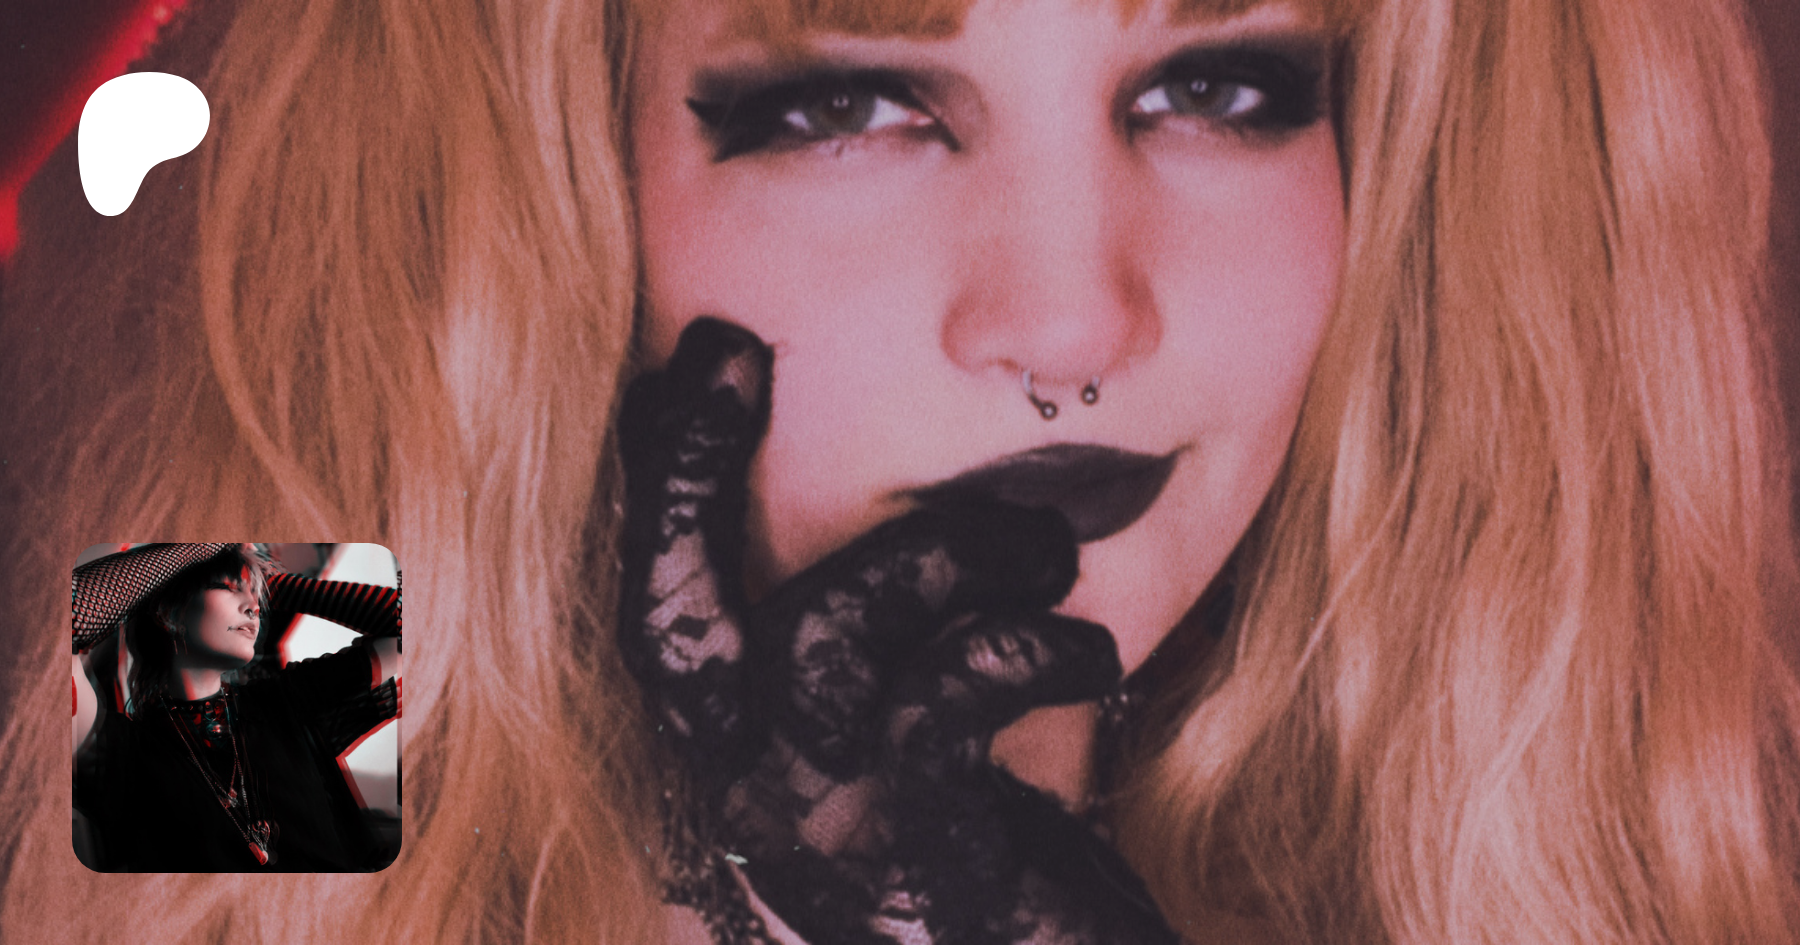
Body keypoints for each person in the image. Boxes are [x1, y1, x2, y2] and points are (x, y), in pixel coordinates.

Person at [0, 0, 1796, 940]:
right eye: (848, 101)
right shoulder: (232, 704)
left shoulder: (1597, 831)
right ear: (524, 158)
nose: (1074, 318)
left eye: (1222, 86)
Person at [70, 543, 401, 871]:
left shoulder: (286, 699)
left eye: (256, 595)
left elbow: (411, 624)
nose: (254, 606)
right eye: (227, 587)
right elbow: (64, 619)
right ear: (170, 613)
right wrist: (208, 546)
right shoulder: (119, 751)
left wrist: (273, 585)